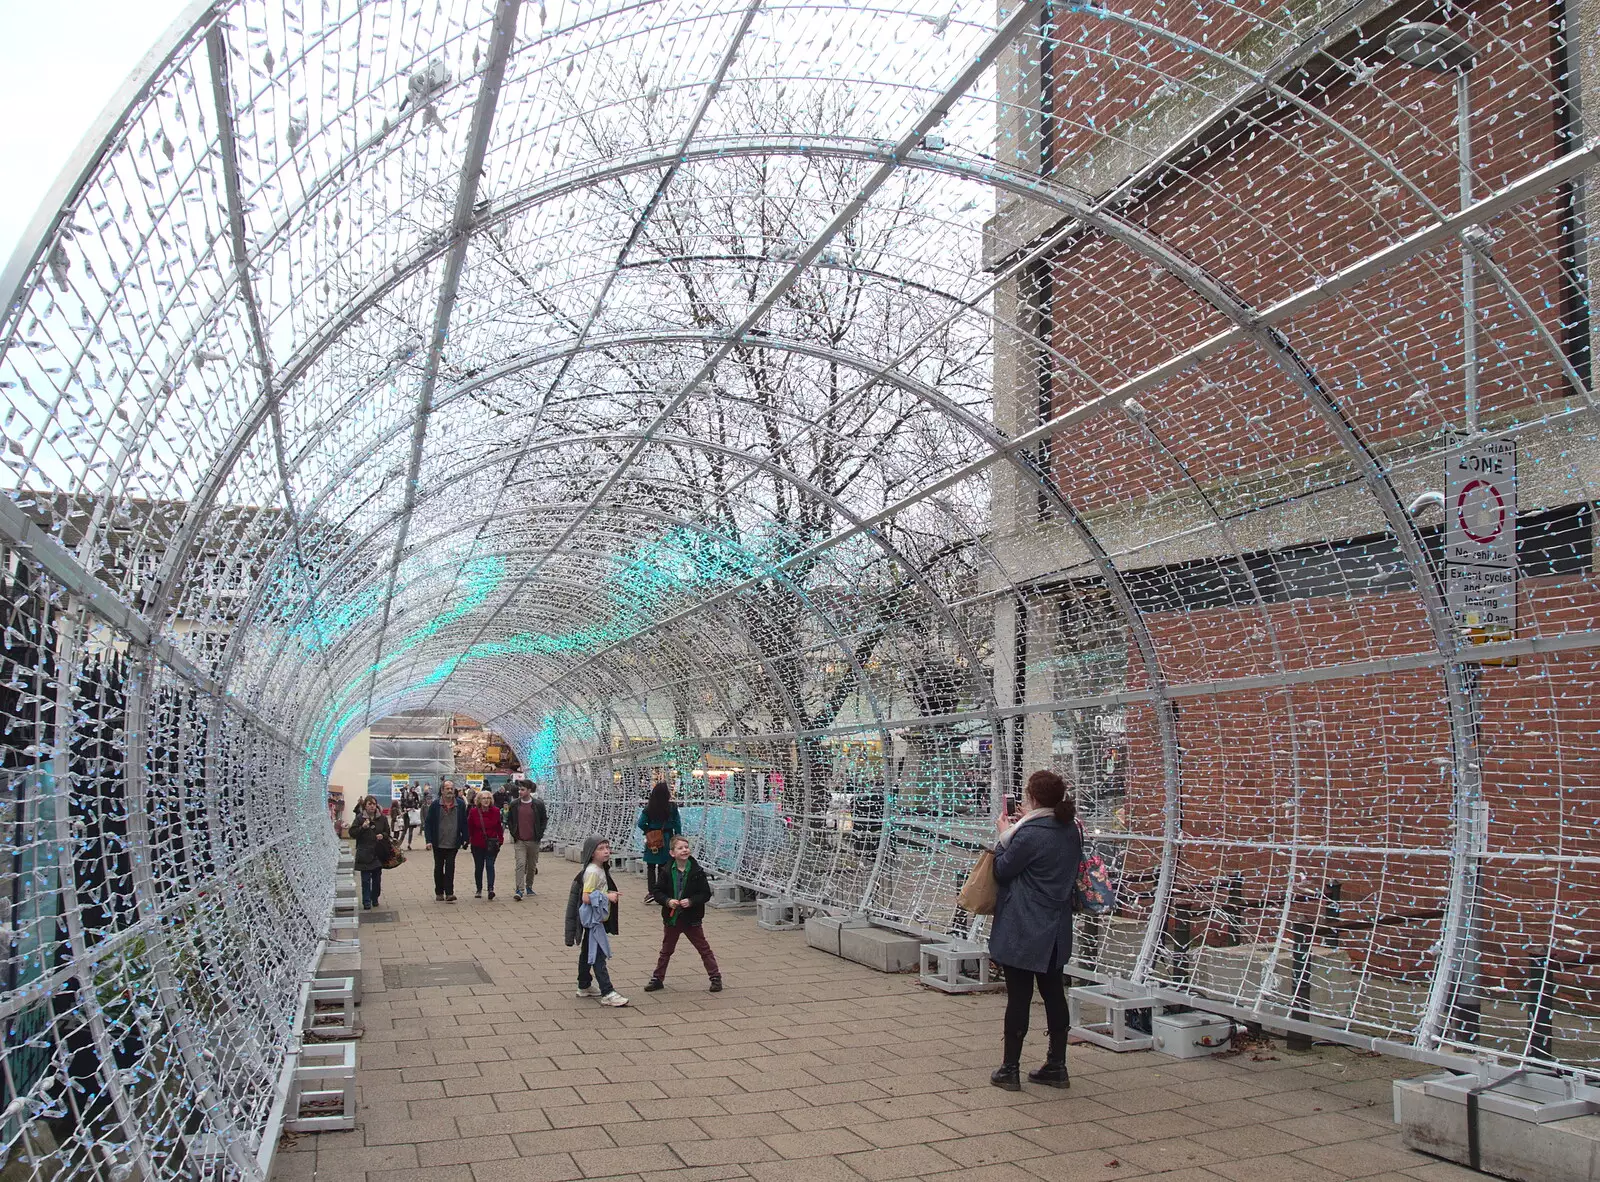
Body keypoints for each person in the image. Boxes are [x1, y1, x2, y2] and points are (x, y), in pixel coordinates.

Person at [988, 769, 1082, 1091]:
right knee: (1054, 993)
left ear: (1033, 797)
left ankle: (1009, 1069)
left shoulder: (1028, 834)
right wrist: (1026, 822)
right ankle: (1057, 1065)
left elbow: (1002, 869)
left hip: (1024, 927)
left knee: (1019, 997)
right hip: (1056, 929)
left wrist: (1004, 834)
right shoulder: (1071, 829)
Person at [644, 835, 722, 993]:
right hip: (672, 917)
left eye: (686, 847)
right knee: (666, 950)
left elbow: (705, 893)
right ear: (672, 853)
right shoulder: (666, 870)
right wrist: (667, 901)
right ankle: (657, 978)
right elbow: (657, 891)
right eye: (680, 848)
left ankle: (715, 977)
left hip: (692, 918)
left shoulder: (697, 871)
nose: (684, 850)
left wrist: (692, 901)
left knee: (703, 948)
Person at [564, 837, 628, 1006]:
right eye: (601, 848)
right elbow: (586, 897)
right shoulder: (593, 872)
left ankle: (584, 985)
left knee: (587, 951)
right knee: (598, 955)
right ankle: (607, 992)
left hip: (596, 919)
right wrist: (608, 896)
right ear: (592, 853)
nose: (606, 851)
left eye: (607, 847)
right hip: (594, 921)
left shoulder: (599, 869)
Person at [636, 781, 682, 901]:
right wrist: (678, 837)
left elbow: (640, 823)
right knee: (665, 866)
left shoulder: (649, 807)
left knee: (651, 866)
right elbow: (677, 823)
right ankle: (663, 891)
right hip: (667, 838)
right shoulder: (672, 807)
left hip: (653, 839)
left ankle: (651, 892)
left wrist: (648, 831)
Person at [424, 782, 469, 903]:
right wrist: (428, 840)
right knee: (439, 868)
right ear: (442, 790)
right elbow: (428, 823)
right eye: (447, 788)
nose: (450, 790)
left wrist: (465, 838)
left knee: (450, 867)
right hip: (438, 842)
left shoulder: (460, 804)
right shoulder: (435, 805)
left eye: (451, 788)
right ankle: (439, 892)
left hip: (453, 842)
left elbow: (464, 822)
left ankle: (449, 893)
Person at [503, 780, 549, 900]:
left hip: (533, 840)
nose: (520, 791)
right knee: (520, 864)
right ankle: (519, 889)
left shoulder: (538, 804)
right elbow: (509, 819)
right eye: (519, 789)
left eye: (523, 789)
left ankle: (529, 886)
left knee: (532, 866)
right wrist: (514, 833)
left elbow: (544, 819)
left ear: (529, 791)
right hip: (520, 840)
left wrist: (540, 833)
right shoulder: (515, 804)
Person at [349, 795, 394, 910]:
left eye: (374, 804)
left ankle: (375, 898)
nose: (372, 806)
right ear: (365, 806)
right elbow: (352, 833)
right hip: (364, 852)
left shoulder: (382, 818)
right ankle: (366, 901)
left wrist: (382, 835)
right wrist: (362, 828)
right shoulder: (360, 818)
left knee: (377, 879)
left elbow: (387, 832)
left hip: (378, 852)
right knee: (365, 880)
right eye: (369, 804)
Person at [468, 790, 505, 900]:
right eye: (483, 798)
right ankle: (479, 889)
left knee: (490, 866)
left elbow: (499, 826)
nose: (486, 800)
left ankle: (490, 889)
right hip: (477, 843)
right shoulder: (474, 812)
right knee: (479, 867)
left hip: (492, 843)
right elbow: (470, 827)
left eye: (488, 798)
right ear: (479, 800)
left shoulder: (496, 811)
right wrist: (469, 840)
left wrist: (501, 839)